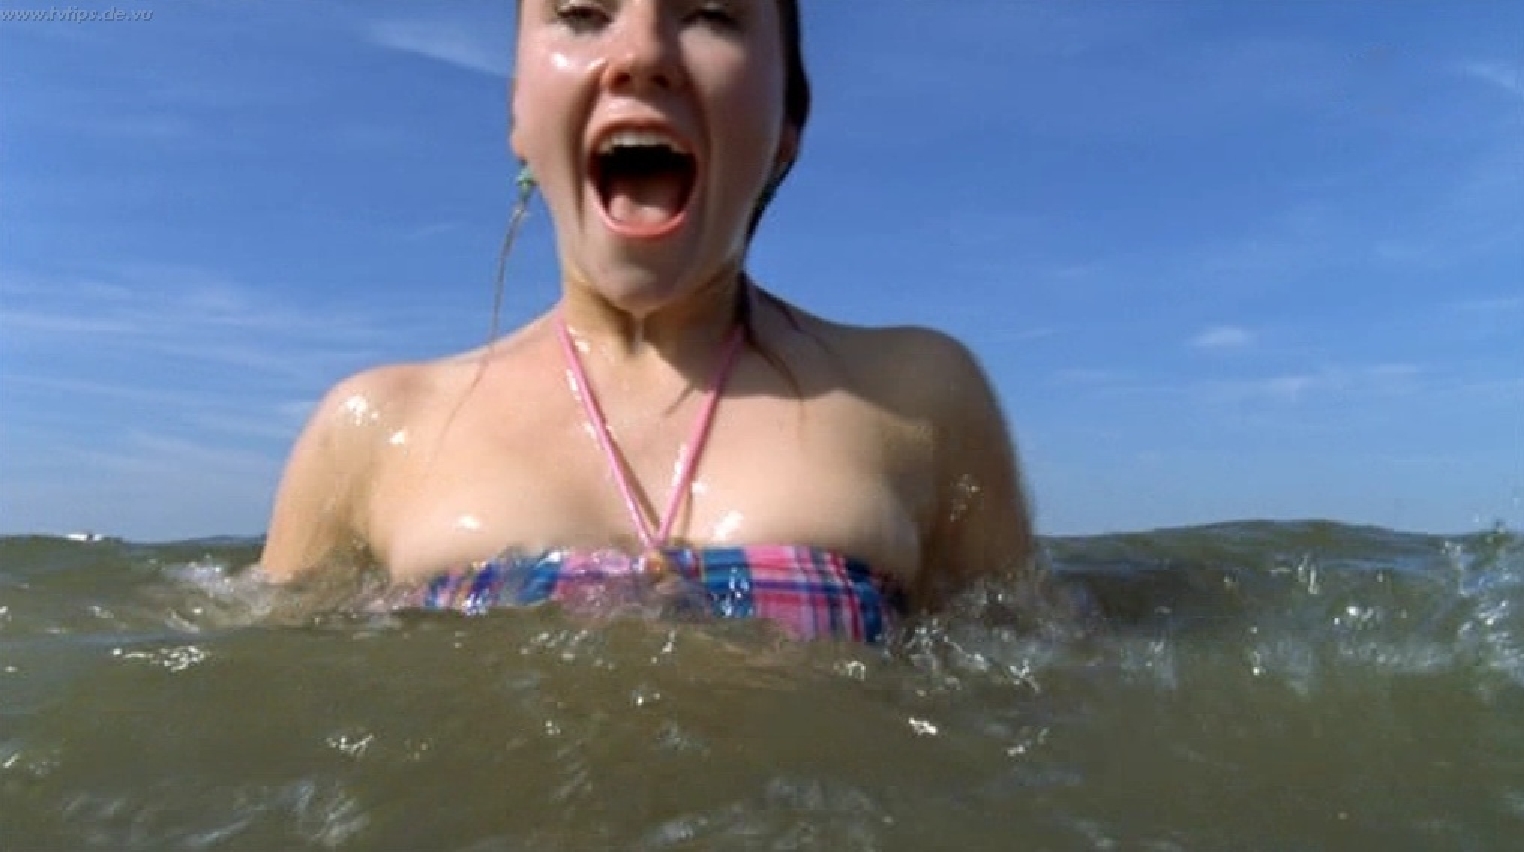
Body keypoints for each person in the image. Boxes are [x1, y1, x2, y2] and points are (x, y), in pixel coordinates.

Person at [259, 0, 1035, 644]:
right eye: (582, 13)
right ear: (519, 111)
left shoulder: (916, 401)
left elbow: (1032, 696)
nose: (642, 55)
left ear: (788, 121)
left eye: (711, 14)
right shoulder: (373, 429)